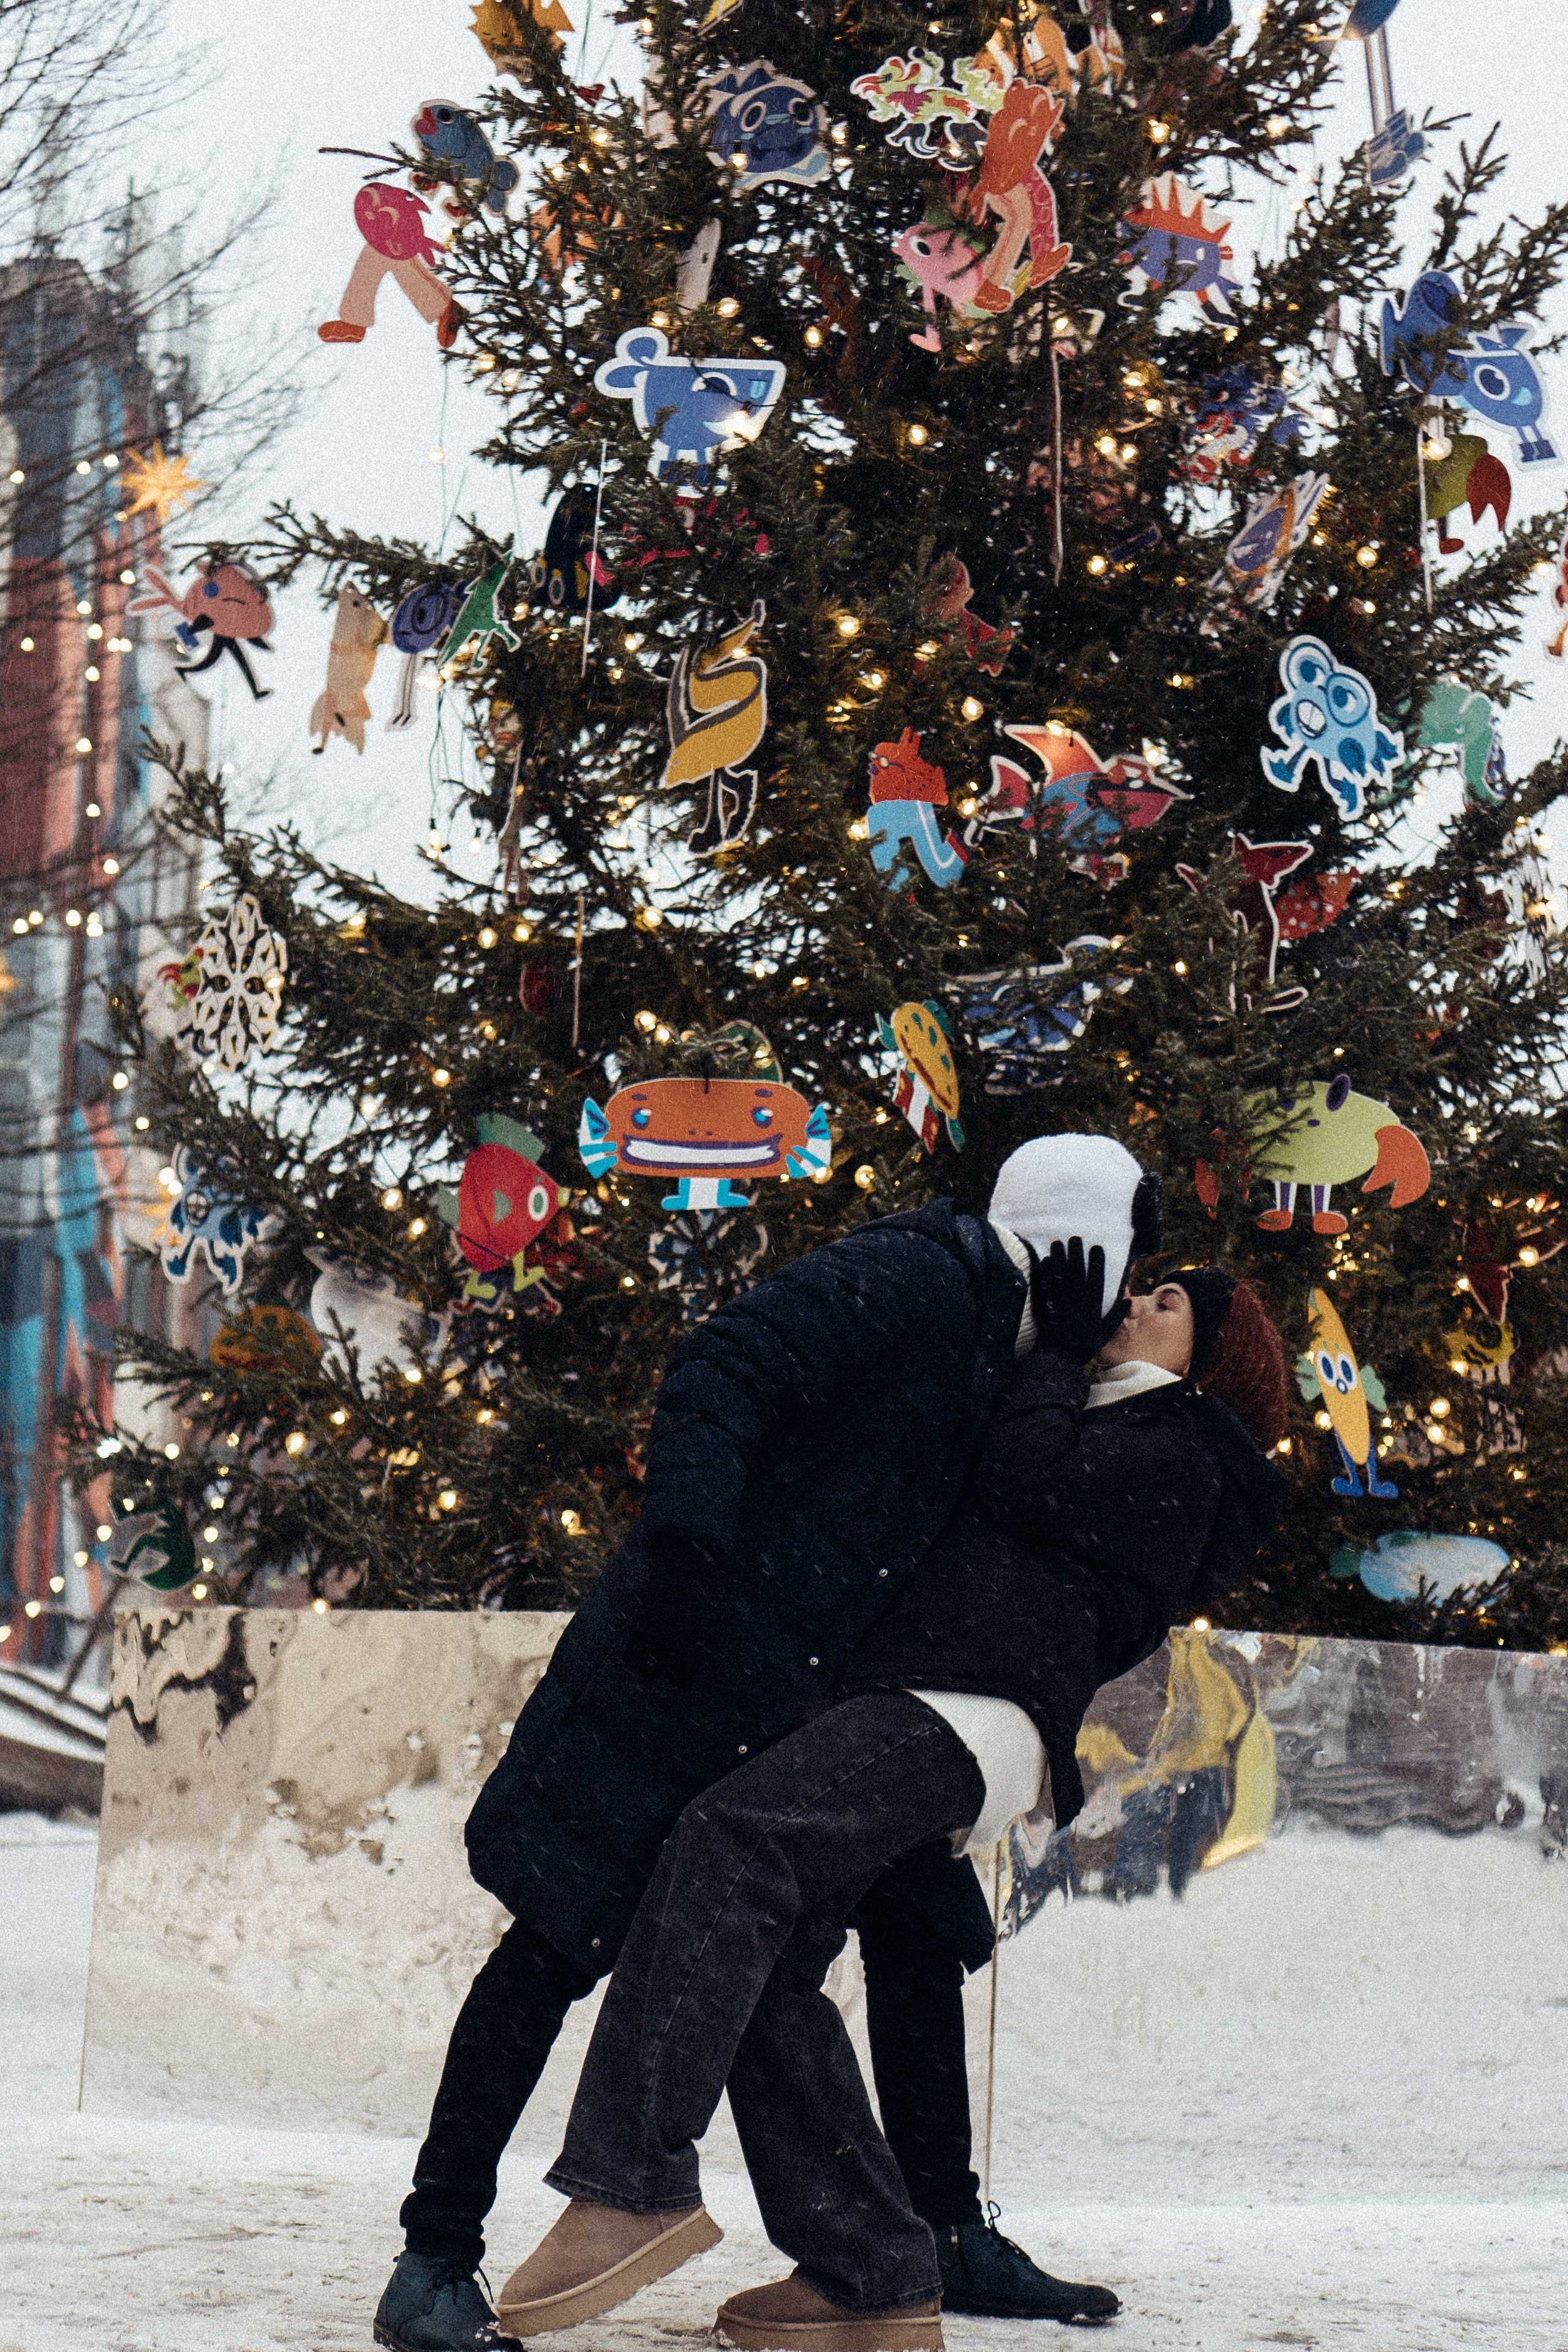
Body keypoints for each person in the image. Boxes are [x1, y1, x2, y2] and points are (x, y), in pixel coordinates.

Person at [374, 1136, 1159, 2352]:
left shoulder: (1012, 1346)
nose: (1118, 1304)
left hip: (792, 1701)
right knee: (556, 1941)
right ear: (1084, 1245)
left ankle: (931, 2242)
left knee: (913, 1935)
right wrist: (688, 1551)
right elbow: (721, 1364)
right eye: (1126, 1264)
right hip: (679, 1669)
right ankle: (434, 2258)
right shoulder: (920, 1275)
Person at [491, 1262, 1289, 2350]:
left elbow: (1026, 1481)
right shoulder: (1104, 1415)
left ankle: (632, 2178)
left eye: (1166, 1306)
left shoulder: (1192, 1453)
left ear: (1212, 1360)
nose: (1135, 1305)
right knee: (766, 1971)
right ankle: (870, 2270)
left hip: (969, 1712)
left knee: (733, 1838)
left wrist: (1053, 1353)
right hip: (910, 1698)